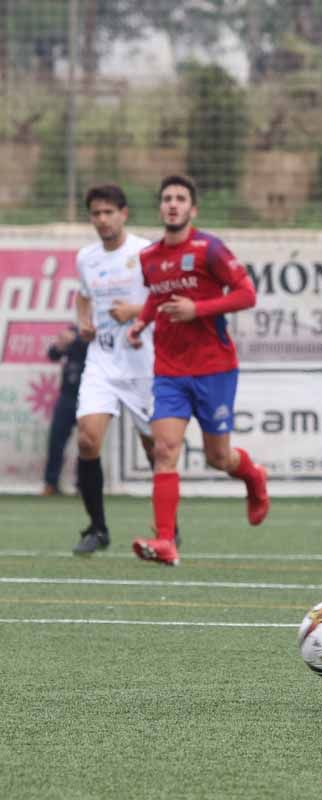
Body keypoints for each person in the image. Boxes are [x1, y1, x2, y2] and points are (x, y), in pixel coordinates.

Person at [126, 175, 270, 567]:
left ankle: (254, 476)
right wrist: (141, 323)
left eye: (180, 198)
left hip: (214, 368)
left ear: (193, 209)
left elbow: (247, 294)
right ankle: (166, 541)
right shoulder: (149, 257)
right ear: (160, 207)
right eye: (167, 198)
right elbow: (156, 298)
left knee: (218, 459)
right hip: (169, 370)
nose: (173, 204)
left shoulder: (210, 249)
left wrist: (197, 310)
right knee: (164, 449)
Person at [70, 184, 157, 555]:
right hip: (102, 361)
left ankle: (167, 528)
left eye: (109, 212)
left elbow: (164, 297)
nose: (102, 220)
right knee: (88, 439)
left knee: (158, 452)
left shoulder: (145, 253)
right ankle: (98, 528)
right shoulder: (86, 257)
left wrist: (135, 312)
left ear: (124, 214)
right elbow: (83, 295)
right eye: (96, 214)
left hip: (144, 364)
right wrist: (84, 322)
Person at [42, 324, 88, 495]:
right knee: (56, 440)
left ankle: (83, 485)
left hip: (89, 397)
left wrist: (75, 339)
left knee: (87, 443)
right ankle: (50, 483)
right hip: (67, 396)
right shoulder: (72, 332)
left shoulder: (94, 333)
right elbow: (52, 355)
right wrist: (59, 345)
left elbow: (90, 348)